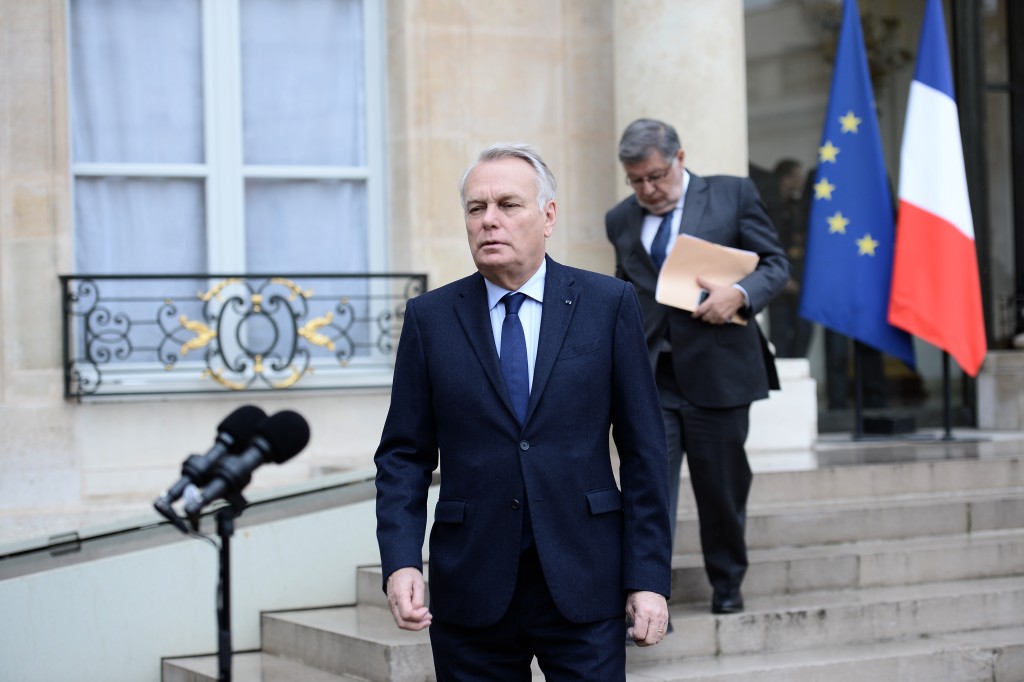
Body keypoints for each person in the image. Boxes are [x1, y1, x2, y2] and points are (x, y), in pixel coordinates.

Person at [375, 143, 673, 680]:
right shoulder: (430, 318)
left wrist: (648, 577)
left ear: (548, 216)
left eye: (508, 205)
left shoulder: (608, 306)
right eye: (475, 208)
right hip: (472, 585)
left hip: (585, 578)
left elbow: (646, 453)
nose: (489, 221)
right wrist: (400, 561)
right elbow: (404, 455)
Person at [605, 118, 790, 615]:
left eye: (657, 176)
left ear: (680, 159)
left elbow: (775, 263)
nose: (648, 189)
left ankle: (727, 584)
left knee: (722, 490)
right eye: (637, 180)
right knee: (647, 491)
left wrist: (740, 294)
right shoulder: (619, 219)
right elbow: (626, 291)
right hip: (651, 379)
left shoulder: (732, 195)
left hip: (720, 372)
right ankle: (646, 596)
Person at [764, 158, 813, 359]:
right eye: (797, 176)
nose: (801, 181)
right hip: (779, 280)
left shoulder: (800, 207)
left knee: (804, 332)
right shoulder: (769, 208)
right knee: (779, 333)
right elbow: (770, 246)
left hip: (801, 280)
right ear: (785, 178)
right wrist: (783, 278)